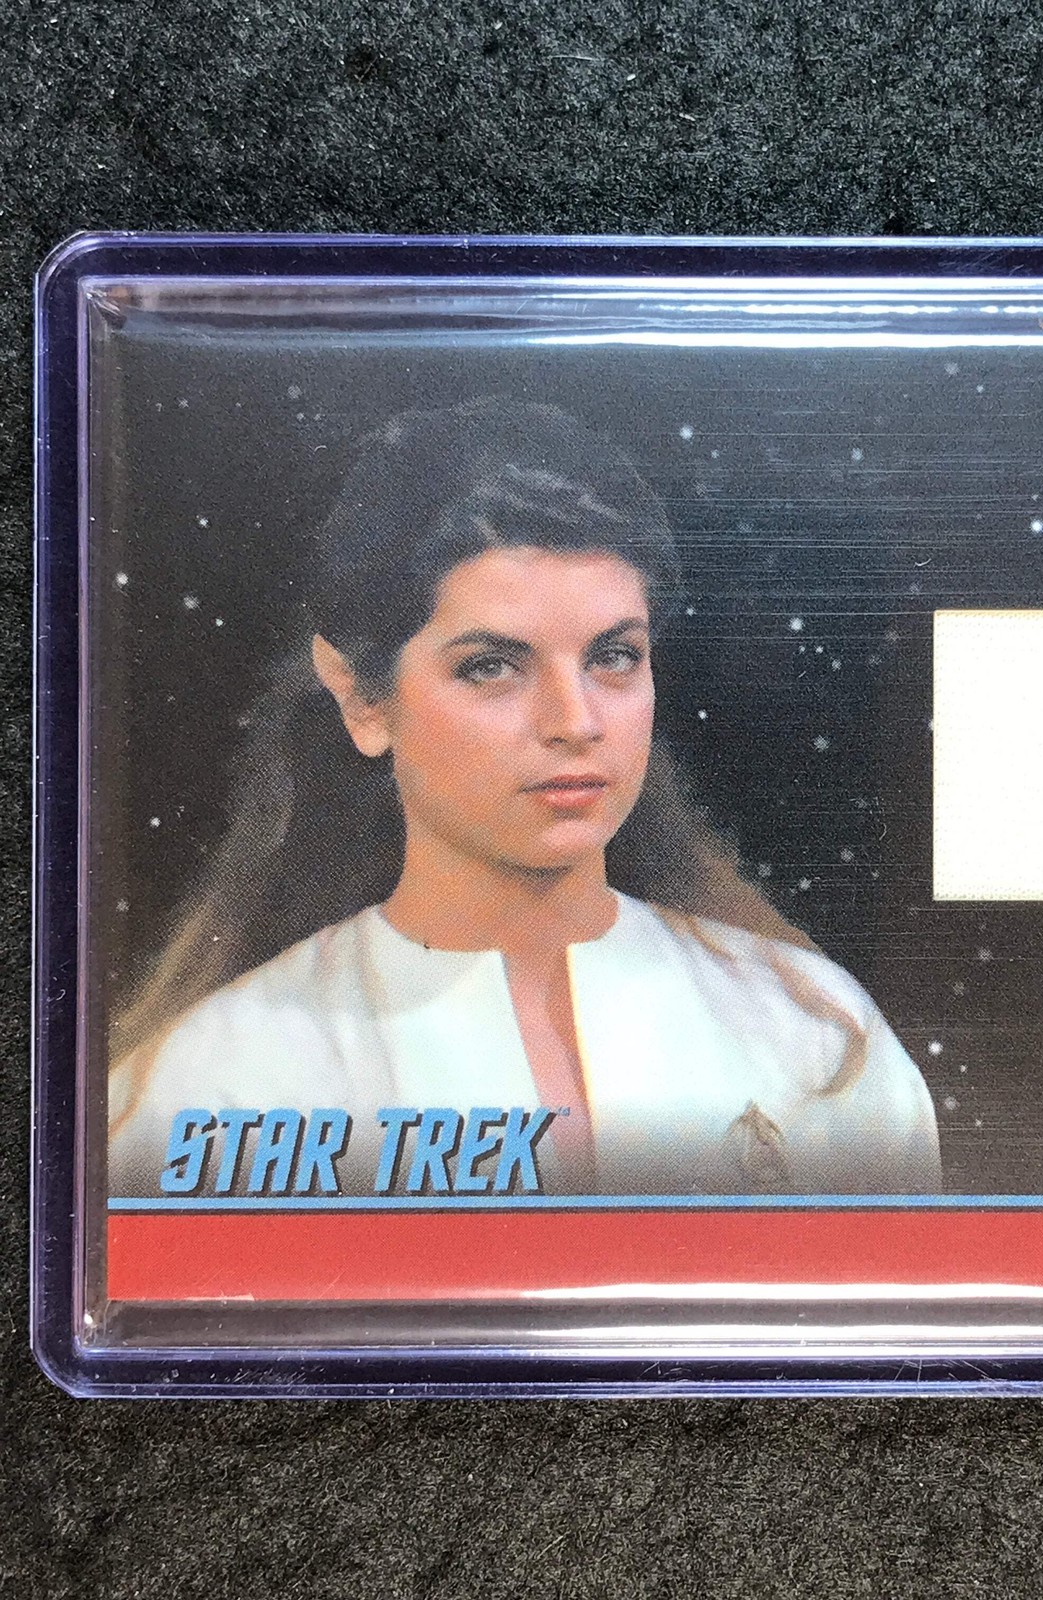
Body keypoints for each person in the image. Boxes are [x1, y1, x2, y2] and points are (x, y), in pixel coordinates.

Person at [108, 399, 941, 1199]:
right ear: (361, 696)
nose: (576, 722)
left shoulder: (816, 1039)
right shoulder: (216, 1084)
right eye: (492, 667)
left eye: (613, 656)